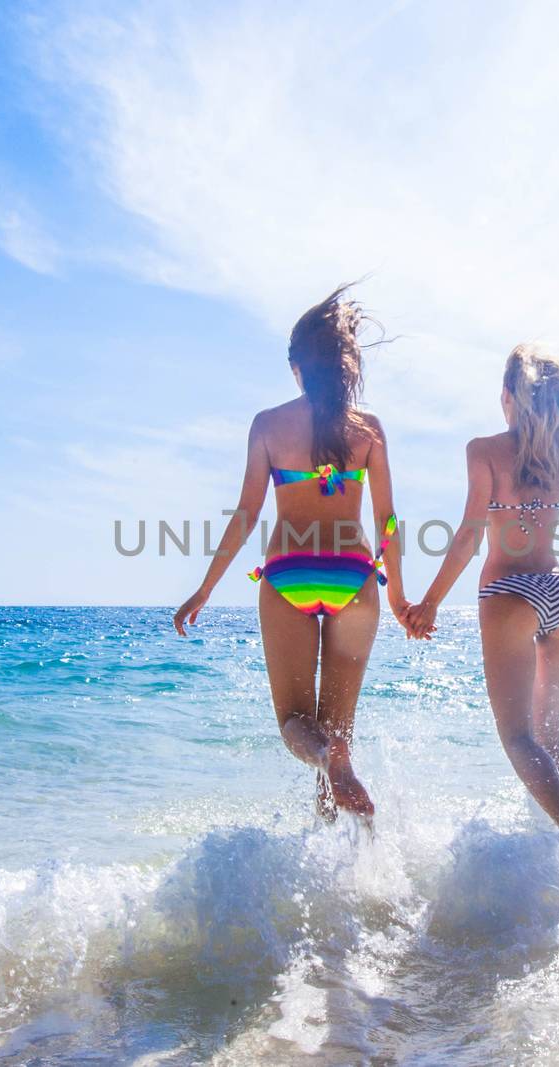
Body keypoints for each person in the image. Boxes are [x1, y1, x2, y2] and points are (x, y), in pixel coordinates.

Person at [174, 286, 414, 820]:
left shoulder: (268, 425)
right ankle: (345, 861)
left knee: (295, 724)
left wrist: (206, 587)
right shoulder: (368, 429)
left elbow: (246, 515)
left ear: (296, 366)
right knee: (339, 727)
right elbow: (386, 519)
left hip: (289, 575)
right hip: (354, 577)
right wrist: (397, 594)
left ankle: (329, 762)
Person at [406, 344, 559, 835]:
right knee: (547, 733)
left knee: (517, 737)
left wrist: (429, 603)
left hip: (510, 594)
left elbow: (470, 534)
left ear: (508, 397)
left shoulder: (484, 451)